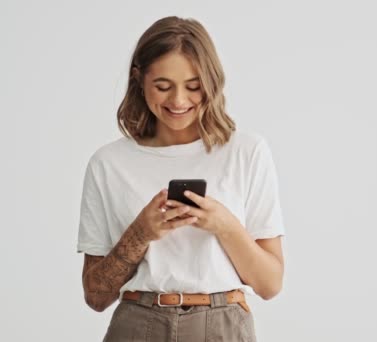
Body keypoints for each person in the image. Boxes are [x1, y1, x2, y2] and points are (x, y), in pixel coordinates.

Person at [77, 16, 285, 342]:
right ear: (139, 79)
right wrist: (140, 234)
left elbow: (270, 284)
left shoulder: (246, 152)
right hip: (137, 325)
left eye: (193, 86)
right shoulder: (108, 163)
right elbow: (96, 295)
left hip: (222, 326)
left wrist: (224, 225)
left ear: (212, 83)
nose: (178, 101)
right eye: (162, 86)